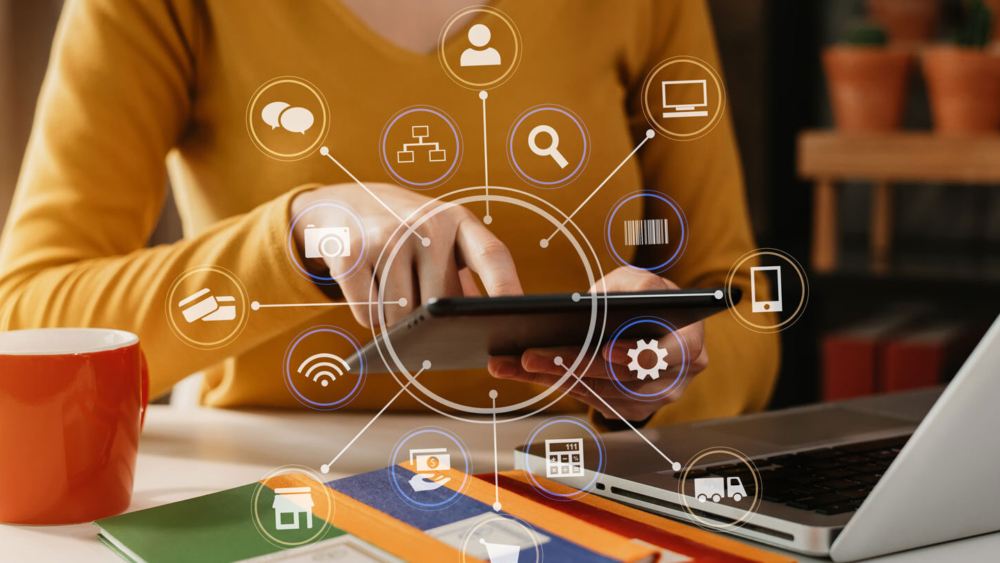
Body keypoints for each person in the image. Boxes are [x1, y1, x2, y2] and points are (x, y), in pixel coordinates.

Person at [0, 0, 778, 427]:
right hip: (279, 497)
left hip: (590, 487)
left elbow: (742, 303)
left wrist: (672, 365)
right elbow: (23, 320)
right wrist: (300, 233)